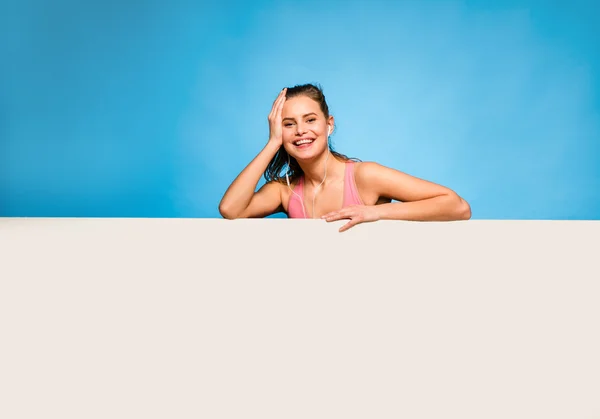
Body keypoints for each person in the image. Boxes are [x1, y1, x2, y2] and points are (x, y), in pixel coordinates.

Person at [219, 83, 471, 232]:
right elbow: (230, 210)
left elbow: (458, 207)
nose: (300, 131)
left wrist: (375, 213)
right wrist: (273, 142)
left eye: (310, 120)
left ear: (329, 125)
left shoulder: (364, 176)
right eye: (288, 124)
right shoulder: (285, 191)